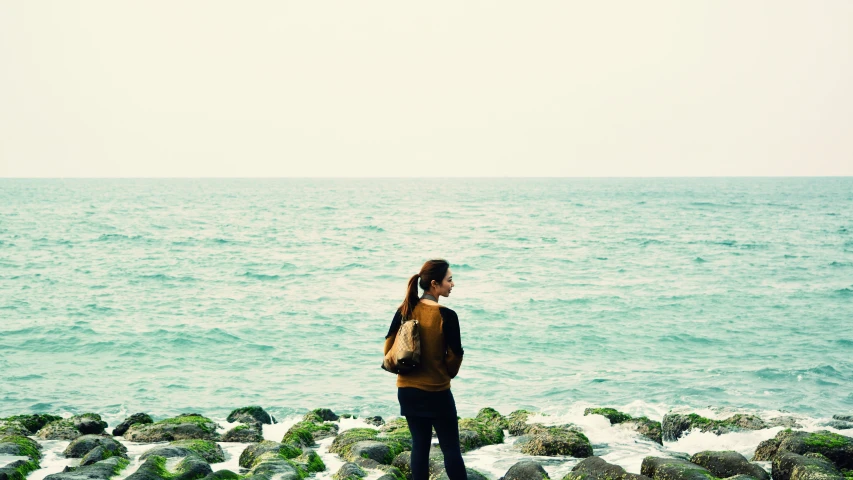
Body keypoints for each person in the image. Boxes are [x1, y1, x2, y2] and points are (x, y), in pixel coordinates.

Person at [384, 258, 465, 480]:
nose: (452, 284)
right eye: (449, 280)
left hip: (408, 391)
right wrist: (445, 371)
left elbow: (388, 349)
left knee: (419, 446)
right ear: (434, 284)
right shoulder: (447, 315)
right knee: (450, 448)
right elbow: (455, 357)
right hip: (438, 392)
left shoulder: (405, 309)